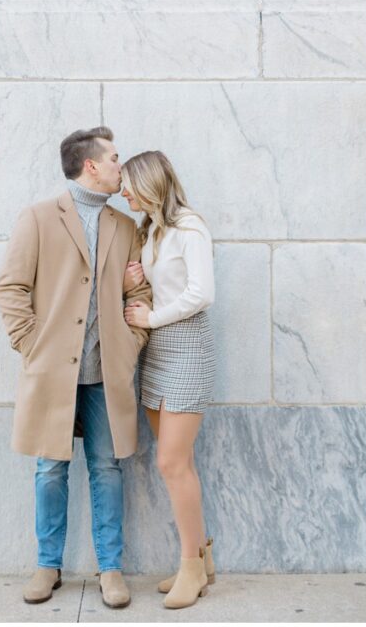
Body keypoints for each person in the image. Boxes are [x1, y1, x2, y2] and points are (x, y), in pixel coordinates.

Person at [0, 126, 152, 609]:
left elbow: (139, 295)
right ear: (91, 166)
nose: (120, 168)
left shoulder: (124, 227)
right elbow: (10, 288)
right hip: (53, 373)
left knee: (107, 468)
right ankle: (48, 565)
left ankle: (110, 570)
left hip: (106, 373)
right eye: (115, 159)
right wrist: (32, 345)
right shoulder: (39, 218)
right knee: (50, 469)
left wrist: (129, 341)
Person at [120, 150, 216, 609]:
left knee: (170, 463)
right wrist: (134, 277)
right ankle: (202, 557)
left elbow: (202, 293)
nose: (123, 193)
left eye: (128, 185)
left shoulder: (189, 227)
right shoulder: (152, 230)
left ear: (149, 184)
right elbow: (162, 286)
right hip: (156, 353)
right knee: (180, 463)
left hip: (186, 349)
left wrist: (154, 315)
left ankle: (190, 567)